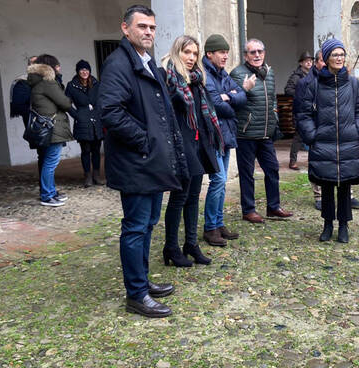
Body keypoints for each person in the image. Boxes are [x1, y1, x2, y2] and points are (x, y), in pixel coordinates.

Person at [99, 5, 188, 318]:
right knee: (136, 227)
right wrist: (145, 141)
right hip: (136, 161)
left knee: (148, 223)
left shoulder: (147, 62)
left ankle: (142, 281)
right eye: (142, 27)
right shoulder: (118, 64)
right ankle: (136, 294)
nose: (149, 32)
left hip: (149, 161)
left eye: (152, 27)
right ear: (126, 29)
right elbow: (110, 111)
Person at [294, 39, 359, 243]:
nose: (339, 58)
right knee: (327, 185)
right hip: (323, 143)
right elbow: (304, 113)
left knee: (345, 186)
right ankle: (327, 224)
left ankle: (344, 225)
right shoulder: (315, 85)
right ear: (326, 58)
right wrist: (312, 136)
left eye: (342, 54)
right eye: (335, 55)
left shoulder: (353, 84)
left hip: (348, 142)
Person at [161, 35, 222, 267]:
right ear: (178, 52)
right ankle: (171, 247)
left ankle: (191, 244)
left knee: (194, 198)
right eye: (187, 52)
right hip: (181, 146)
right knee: (179, 198)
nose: (191, 57)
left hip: (198, 145)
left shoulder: (196, 80)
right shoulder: (169, 79)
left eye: (195, 53)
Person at [230, 38, 293, 224]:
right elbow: (235, 100)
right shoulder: (237, 73)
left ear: (264, 53)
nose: (257, 55)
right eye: (252, 52)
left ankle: (273, 207)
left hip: (266, 133)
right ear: (245, 56)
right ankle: (248, 210)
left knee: (272, 169)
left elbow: (272, 97)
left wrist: (274, 113)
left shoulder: (269, 72)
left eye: (260, 51)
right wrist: (244, 88)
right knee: (247, 173)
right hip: (246, 133)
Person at [201, 34, 246, 246]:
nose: (225, 56)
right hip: (213, 135)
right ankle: (210, 228)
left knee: (222, 182)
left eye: (227, 52)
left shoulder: (222, 74)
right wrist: (228, 98)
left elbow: (241, 97)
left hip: (225, 134)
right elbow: (215, 104)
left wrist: (229, 97)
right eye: (221, 52)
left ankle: (218, 224)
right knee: (217, 180)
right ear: (210, 53)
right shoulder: (205, 75)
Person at [27, 54, 73, 207]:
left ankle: (50, 192)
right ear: (50, 67)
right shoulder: (48, 82)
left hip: (45, 127)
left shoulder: (36, 81)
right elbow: (65, 103)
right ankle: (47, 195)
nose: (59, 68)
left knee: (47, 161)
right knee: (50, 163)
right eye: (57, 66)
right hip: (52, 127)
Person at [65, 60, 105, 187]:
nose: (84, 72)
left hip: (96, 120)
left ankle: (97, 175)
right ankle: (87, 176)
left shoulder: (96, 83)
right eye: (82, 70)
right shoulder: (72, 85)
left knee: (96, 150)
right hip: (82, 121)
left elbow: (101, 99)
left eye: (86, 70)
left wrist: (98, 112)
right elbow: (66, 103)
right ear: (78, 71)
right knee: (86, 150)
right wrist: (77, 114)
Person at [285, 51, 313, 171]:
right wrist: (301, 95)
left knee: (313, 135)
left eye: (310, 60)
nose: (309, 62)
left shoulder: (313, 74)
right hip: (300, 110)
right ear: (301, 63)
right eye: (306, 60)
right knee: (298, 136)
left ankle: (313, 160)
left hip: (312, 109)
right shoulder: (296, 76)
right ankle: (293, 161)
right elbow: (288, 90)